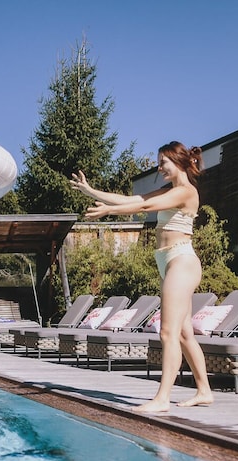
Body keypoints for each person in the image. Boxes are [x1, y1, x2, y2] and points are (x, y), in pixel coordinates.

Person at [69, 141, 213, 413]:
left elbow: (146, 207)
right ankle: (204, 391)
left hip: (181, 260)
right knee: (183, 334)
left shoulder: (186, 192)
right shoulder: (170, 191)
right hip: (169, 262)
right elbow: (135, 200)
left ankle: (162, 398)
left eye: (163, 163)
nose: (159, 168)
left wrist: (109, 211)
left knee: (168, 332)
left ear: (178, 162)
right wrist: (91, 191)